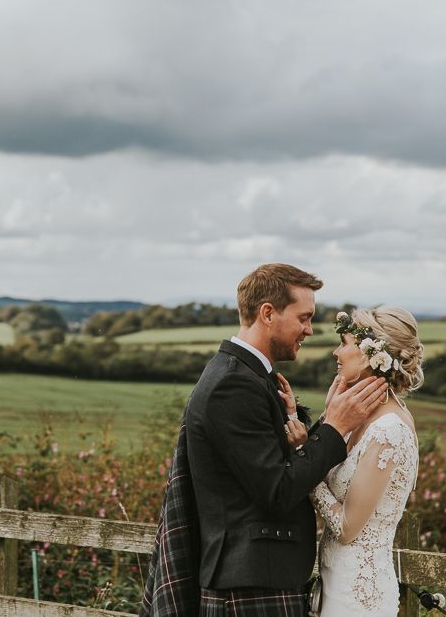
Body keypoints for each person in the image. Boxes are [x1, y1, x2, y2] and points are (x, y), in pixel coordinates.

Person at [180, 264, 389, 617]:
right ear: (267, 314)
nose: (309, 329)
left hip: (259, 577)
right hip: (250, 583)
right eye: (304, 318)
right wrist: (335, 428)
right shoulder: (233, 385)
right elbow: (276, 490)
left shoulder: (249, 376)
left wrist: (306, 424)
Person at [310, 307, 424, 616]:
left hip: (359, 597)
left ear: (372, 353)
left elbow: (347, 528)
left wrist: (305, 469)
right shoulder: (358, 418)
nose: (337, 352)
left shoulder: (389, 431)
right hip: (333, 584)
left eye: (344, 343)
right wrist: (328, 419)